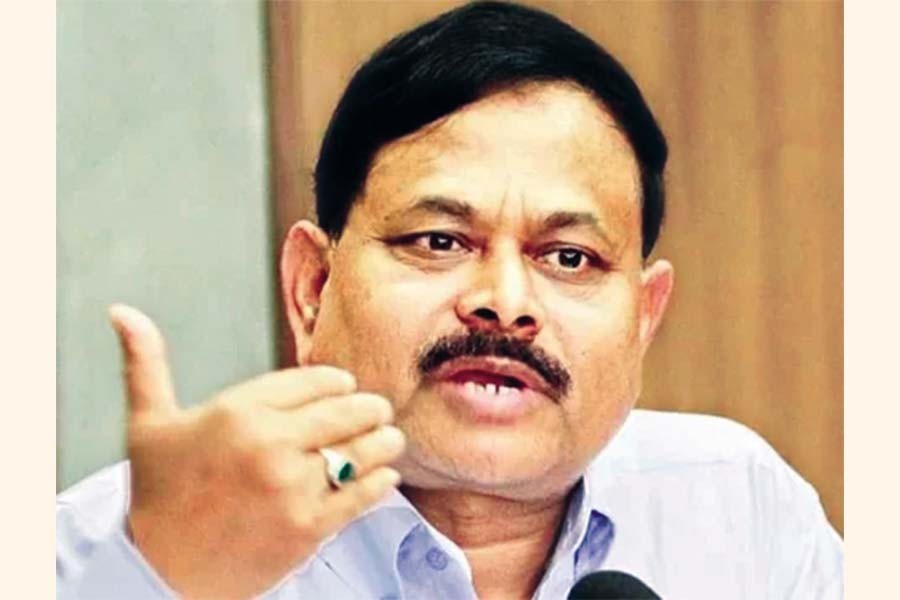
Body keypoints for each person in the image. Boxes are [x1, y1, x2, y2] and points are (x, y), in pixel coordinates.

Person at [56, 2, 843, 598]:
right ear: (312, 288)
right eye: (439, 241)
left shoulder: (739, 508)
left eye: (569, 257)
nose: (505, 302)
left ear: (643, 318)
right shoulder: (128, 553)